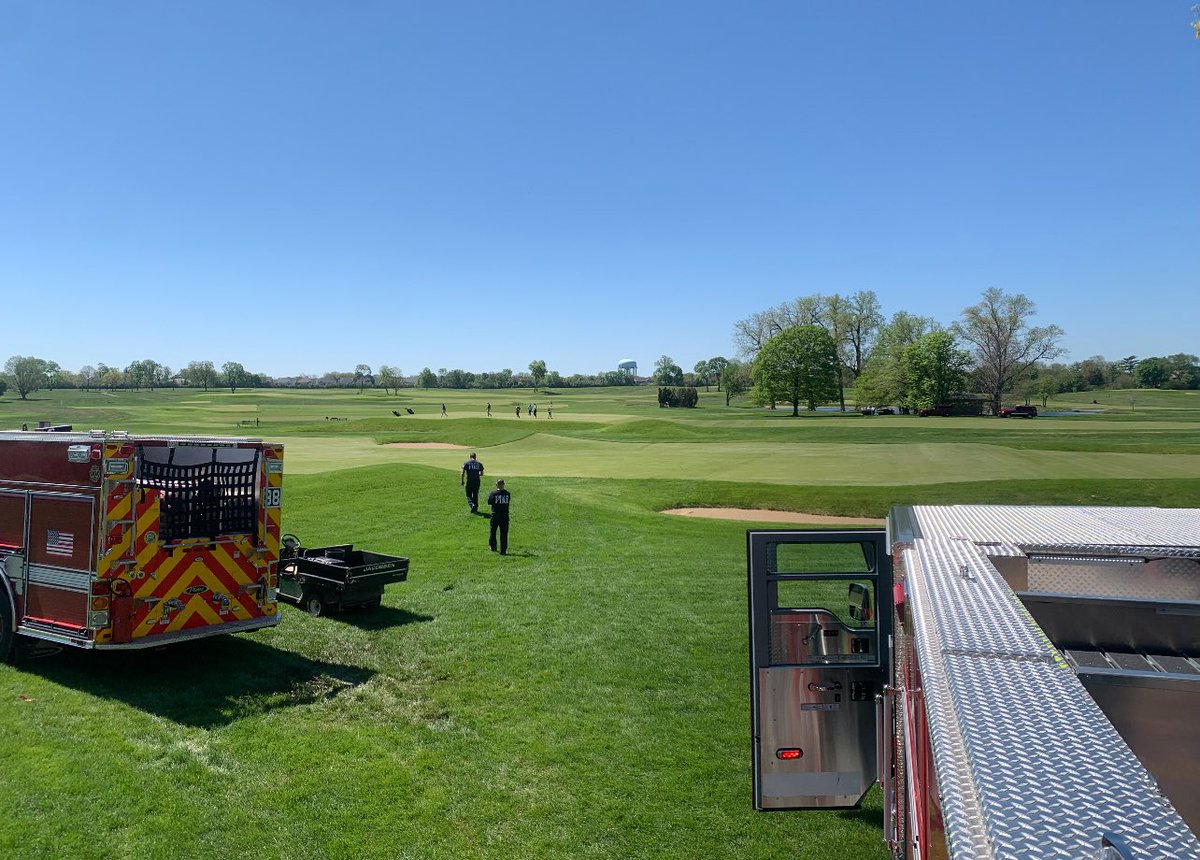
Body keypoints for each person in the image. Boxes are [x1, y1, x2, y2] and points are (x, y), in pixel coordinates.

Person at [487, 479, 511, 555]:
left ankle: (493, 547)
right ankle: (503, 550)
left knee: (493, 531)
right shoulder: (507, 494)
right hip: (505, 515)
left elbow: (489, 502)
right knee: (504, 533)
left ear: (496, 484)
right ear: (503, 484)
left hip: (495, 515)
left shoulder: (493, 493)